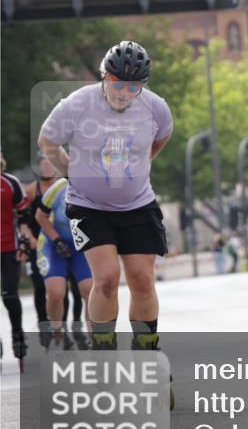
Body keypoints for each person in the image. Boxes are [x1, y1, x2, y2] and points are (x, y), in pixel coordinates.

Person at [37, 41, 172, 372]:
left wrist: (140, 166)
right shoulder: (78, 103)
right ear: (104, 76)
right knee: (108, 278)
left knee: (142, 280)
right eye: (118, 83)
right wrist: (71, 172)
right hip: (89, 206)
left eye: (133, 87)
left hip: (138, 205)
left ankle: (146, 355)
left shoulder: (155, 108)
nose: (124, 93)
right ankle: (104, 354)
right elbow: (47, 140)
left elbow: (162, 137)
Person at [35, 174, 94, 349]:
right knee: (56, 292)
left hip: (80, 245)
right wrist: (57, 240)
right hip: (53, 243)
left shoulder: (98, 187)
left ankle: (95, 337)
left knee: (90, 292)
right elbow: (40, 216)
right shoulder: (60, 186)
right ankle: (57, 332)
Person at [1, 154, 31, 369]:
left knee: (10, 296)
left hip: (9, 247)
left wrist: (23, 243)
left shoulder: (10, 182)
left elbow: (24, 214)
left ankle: (18, 339)